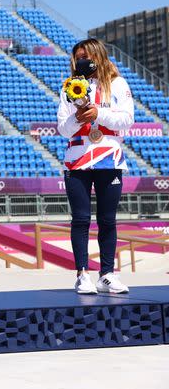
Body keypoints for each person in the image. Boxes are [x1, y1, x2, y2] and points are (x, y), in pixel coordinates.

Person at [57, 38, 133, 294]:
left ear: (98, 56)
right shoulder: (69, 87)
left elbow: (127, 120)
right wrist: (78, 119)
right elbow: (63, 129)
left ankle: (107, 274)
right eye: (77, 57)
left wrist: (98, 114)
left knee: (107, 220)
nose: (81, 61)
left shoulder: (118, 84)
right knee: (80, 219)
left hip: (109, 158)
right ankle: (81, 275)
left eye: (85, 56)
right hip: (77, 159)